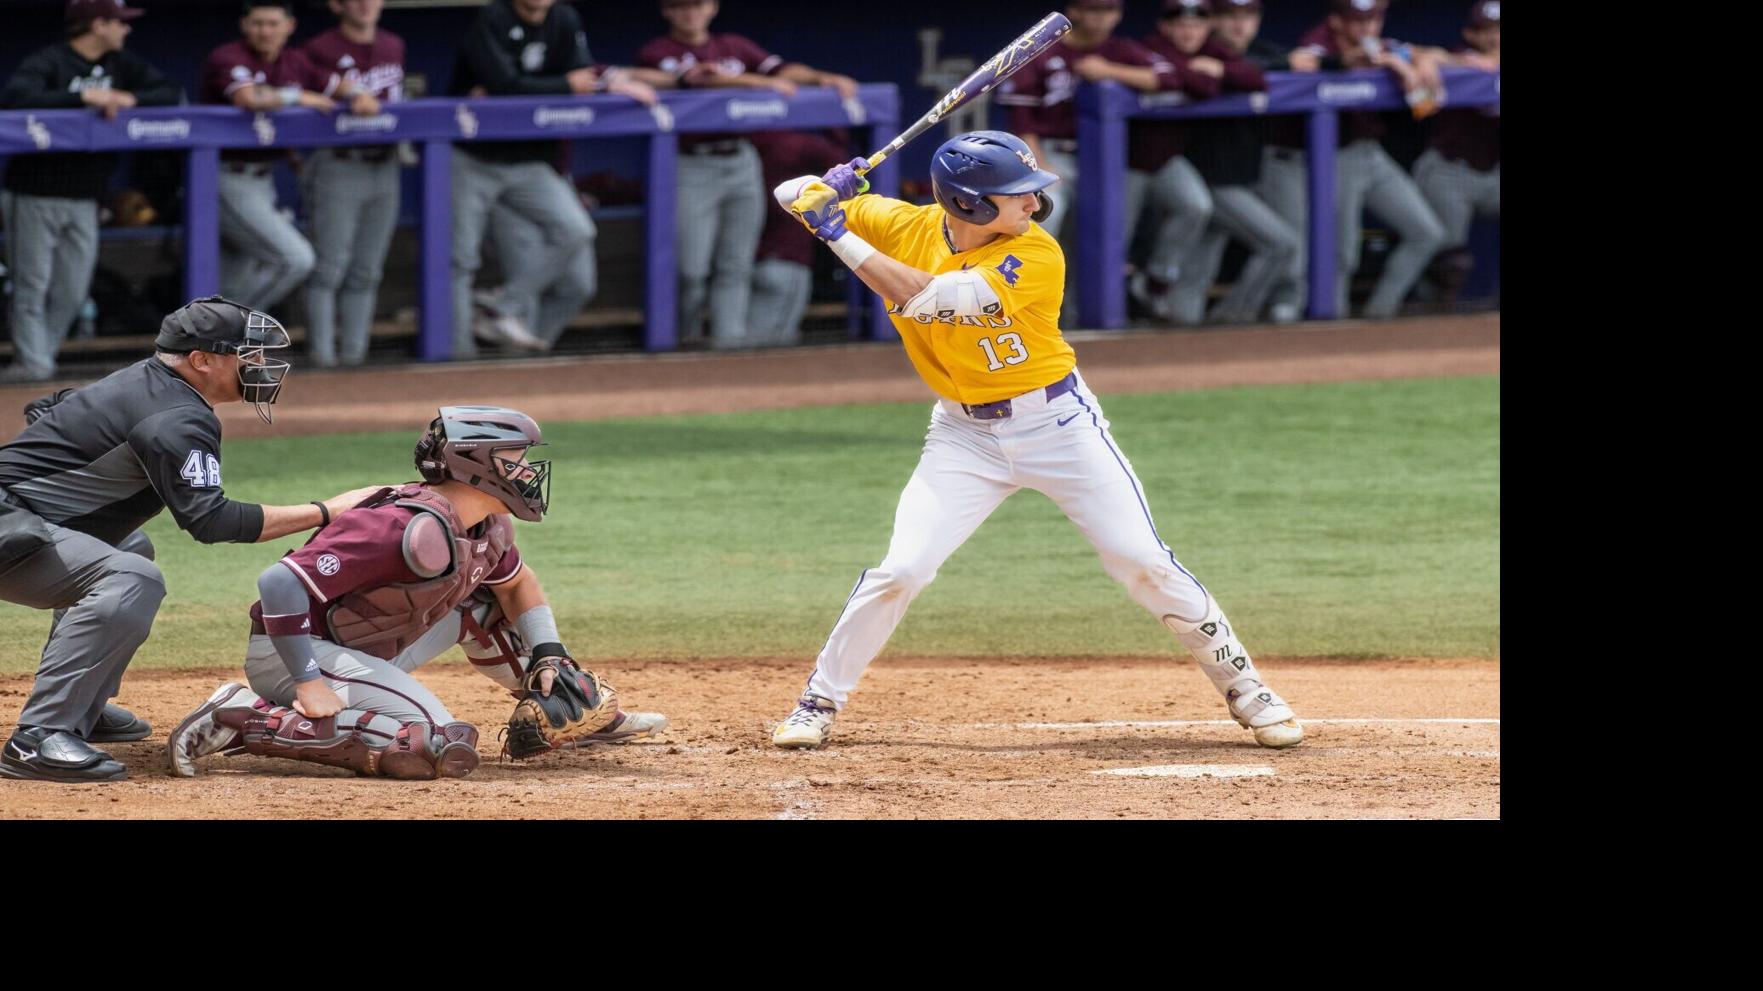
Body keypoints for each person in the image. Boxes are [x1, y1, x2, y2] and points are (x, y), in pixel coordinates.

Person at [766, 131, 1303, 751]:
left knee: (1140, 560)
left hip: (1058, 429)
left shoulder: (1037, 254)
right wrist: (827, 189)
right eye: (1016, 194)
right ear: (967, 205)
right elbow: (787, 192)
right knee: (904, 568)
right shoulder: (904, 223)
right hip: (962, 436)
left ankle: (1246, 686)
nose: (1035, 203)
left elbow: (925, 297)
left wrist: (833, 229)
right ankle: (818, 701)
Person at [165, 405, 668, 780]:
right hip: (295, 656)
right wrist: (307, 680)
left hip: (363, 651)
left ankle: (576, 714)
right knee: (435, 742)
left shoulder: (485, 526)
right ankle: (240, 715)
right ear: (479, 463)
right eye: (516, 462)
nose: (528, 474)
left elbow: (516, 586)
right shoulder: (402, 526)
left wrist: (550, 655)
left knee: (486, 604)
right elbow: (278, 583)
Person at [0, 297, 383, 783]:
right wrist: (328, 510)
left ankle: (81, 706)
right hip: (8, 526)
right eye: (249, 355)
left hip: (17, 518)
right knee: (131, 577)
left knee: (130, 548)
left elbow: (48, 407)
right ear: (202, 361)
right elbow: (212, 522)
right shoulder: (175, 417)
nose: (261, 366)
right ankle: (36, 740)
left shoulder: (147, 382)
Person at [637, 0, 860, 349]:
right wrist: (756, 83)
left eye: (696, 5)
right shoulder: (660, 52)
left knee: (736, 263)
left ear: (711, 8)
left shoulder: (734, 46)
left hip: (741, 159)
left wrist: (821, 78)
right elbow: (703, 81)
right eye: (680, 6)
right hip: (690, 161)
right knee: (690, 269)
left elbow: (784, 71)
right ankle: (681, 343)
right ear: (666, 11)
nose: (690, 13)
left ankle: (730, 347)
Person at [449, 0, 661, 358]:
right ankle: (454, 358)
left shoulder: (564, 17)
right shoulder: (491, 17)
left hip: (533, 161)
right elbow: (504, 85)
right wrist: (564, 84)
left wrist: (602, 81)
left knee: (577, 231)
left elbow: (580, 73)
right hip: (474, 156)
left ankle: (503, 314)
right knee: (458, 260)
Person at [0, 0, 181, 384]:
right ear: (98, 24)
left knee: (72, 288)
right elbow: (16, 96)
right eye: (120, 23)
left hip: (86, 196)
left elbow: (168, 91)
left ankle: (39, 358)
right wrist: (84, 98)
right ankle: (34, 366)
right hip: (34, 193)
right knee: (32, 283)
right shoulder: (50, 61)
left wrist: (129, 98)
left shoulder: (121, 65)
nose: (125, 30)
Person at [994, 0, 1177, 325]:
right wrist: (1039, 167)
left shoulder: (1120, 51)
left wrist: (1108, 72)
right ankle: (1016, 302)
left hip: (1103, 157)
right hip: (1048, 152)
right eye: (1092, 7)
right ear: (1074, 10)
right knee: (1047, 215)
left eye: (1108, 8)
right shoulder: (1043, 51)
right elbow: (1022, 120)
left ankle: (1078, 312)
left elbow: (1169, 77)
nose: (1100, 15)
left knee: (1098, 233)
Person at [199, 0, 377, 312]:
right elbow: (247, 97)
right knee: (295, 258)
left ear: (289, 26)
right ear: (244, 25)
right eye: (257, 23)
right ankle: (213, 332)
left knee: (236, 273)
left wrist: (357, 95)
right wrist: (297, 96)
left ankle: (207, 337)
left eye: (273, 23)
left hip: (263, 180)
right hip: (225, 177)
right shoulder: (228, 57)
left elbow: (335, 85)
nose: (265, 31)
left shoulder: (294, 60)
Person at [1276, 0, 1447, 319]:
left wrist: (1420, 61)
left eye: (1374, 19)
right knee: (1342, 253)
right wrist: (1381, 60)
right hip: (1330, 157)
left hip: (1370, 153)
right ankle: (1333, 328)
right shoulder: (1318, 41)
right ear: (1338, 21)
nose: (1367, 28)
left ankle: (1378, 316)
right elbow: (1312, 62)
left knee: (1427, 233)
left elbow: (1425, 52)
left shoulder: (1377, 43)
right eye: (1358, 20)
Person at [1179, 0, 1302, 324]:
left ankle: (1200, 331)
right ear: (1213, 20)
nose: (1239, 24)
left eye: (1247, 15)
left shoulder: (1261, 55)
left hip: (1237, 178)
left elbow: (1262, 69)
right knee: (1282, 245)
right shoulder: (1199, 52)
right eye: (1230, 15)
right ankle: (1230, 323)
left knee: (1198, 270)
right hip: (1207, 181)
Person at [299, 0, 405, 368]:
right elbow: (296, 79)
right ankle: (324, 360)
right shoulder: (318, 49)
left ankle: (354, 359)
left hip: (385, 163)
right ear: (336, 5)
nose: (364, 4)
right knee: (329, 267)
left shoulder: (393, 44)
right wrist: (340, 89)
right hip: (339, 163)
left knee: (367, 270)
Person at [1130, 0, 1233, 325]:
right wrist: (1197, 72)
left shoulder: (1214, 52)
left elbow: (1255, 78)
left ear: (1208, 26)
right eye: (1181, 24)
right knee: (1112, 239)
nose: (1189, 31)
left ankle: (1157, 281)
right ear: (1165, 25)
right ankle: (1077, 313)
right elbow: (1184, 82)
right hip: (1120, 161)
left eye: (1196, 24)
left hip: (1164, 161)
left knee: (1196, 205)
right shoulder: (1143, 48)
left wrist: (1223, 70)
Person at [1414, 0, 1499, 303]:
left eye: (1500, 30)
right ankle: (1426, 325)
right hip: (1448, 170)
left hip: (1491, 175)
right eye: (1487, 31)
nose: (1495, 38)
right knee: (1449, 264)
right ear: (1470, 34)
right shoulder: (1460, 59)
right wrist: (1445, 61)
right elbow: (1426, 55)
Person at [748, 130, 848, 347]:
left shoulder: (759, 146)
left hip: (782, 259)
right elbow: (837, 155)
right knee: (759, 349)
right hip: (781, 260)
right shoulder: (791, 144)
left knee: (777, 348)